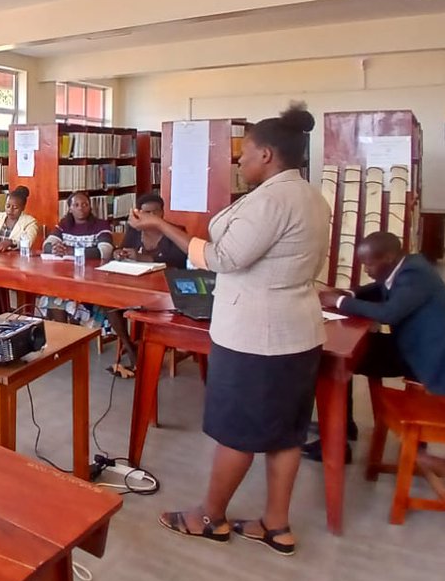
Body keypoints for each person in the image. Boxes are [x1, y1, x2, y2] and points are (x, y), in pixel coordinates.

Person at [128, 104, 327, 556]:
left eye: (246, 152)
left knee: (237, 430)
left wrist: (163, 226)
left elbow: (223, 258)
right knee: (285, 431)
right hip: (299, 330)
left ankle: (208, 516)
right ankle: (277, 524)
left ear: (268, 155)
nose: (238, 160)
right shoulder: (310, 195)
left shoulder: (273, 200)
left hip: (258, 334)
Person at [311, 231, 445, 462]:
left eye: (369, 264)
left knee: (336, 360)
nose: (367, 270)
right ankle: (342, 429)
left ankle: (336, 439)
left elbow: (389, 313)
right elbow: (381, 287)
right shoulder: (409, 265)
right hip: (412, 348)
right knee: (345, 355)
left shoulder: (415, 275)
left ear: (387, 258)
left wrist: (338, 302)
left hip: (423, 359)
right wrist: (349, 292)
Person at [106, 193, 188, 378]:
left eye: (154, 212)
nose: (150, 216)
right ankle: (130, 347)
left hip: (165, 292)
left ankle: (149, 350)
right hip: (137, 285)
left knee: (147, 312)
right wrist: (121, 253)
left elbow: (180, 262)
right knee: (108, 304)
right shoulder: (135, 231)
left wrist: (144, 258)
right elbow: (126, 249)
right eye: (145, 212)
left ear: (163, 213)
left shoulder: (175, 231)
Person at [37, 191, 115, 335]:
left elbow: (105, 251)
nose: (81, 208)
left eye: (85, 204)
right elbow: (46, 245)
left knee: (69, 301)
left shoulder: (101, 225)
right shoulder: (64, 225)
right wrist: (54, 248)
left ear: (90, 207)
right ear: (70, 208)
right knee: (53, 297)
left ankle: (74, 337)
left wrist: (71, 251)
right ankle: (64, 338)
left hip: (91, 282)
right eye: (76, 205)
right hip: (66, 280)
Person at [0, 186, 40, 317]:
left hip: (16, 264)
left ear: (23, 208)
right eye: (7, 206)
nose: (10, 210)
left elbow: (28, 241)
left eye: (15, 207)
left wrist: (10, 242)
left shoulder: (30, 221)